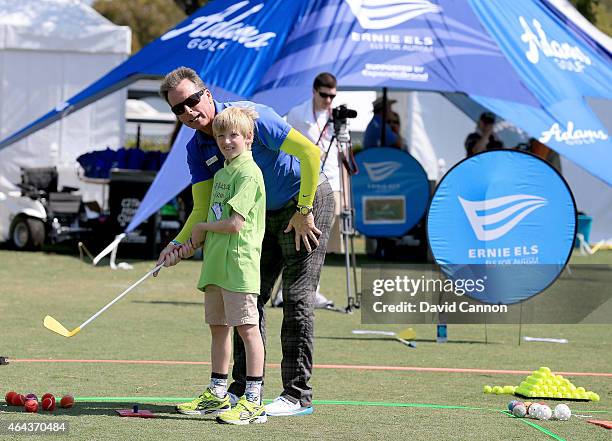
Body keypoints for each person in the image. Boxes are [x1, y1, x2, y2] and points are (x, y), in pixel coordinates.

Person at [155, 67, 334, 417]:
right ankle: (238, 392)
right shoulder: (197, 149)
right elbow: (203, 207)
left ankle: (297, 395)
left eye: (193, 100)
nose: (189, 111)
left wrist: (304, 208)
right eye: (179, 109)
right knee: (244, 295)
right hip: (257, 218)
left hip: (305, 204)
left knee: (297, 298)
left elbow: (311, 155)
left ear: (207, 94)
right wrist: (176, 242)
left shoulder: (254, 118)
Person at [175, 106, 267, 425]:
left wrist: (201, 230)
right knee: (218, 328)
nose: (227, 141)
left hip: (238, 265)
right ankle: (217, 394)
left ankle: (253, 400)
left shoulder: (249, 173)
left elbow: (233, 224)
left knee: (247, 329)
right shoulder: (223, 173)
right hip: (215, 264)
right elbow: (212, 217)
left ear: (249, 138)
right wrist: (187, 244)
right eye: (221, 135)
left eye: (234, 135)